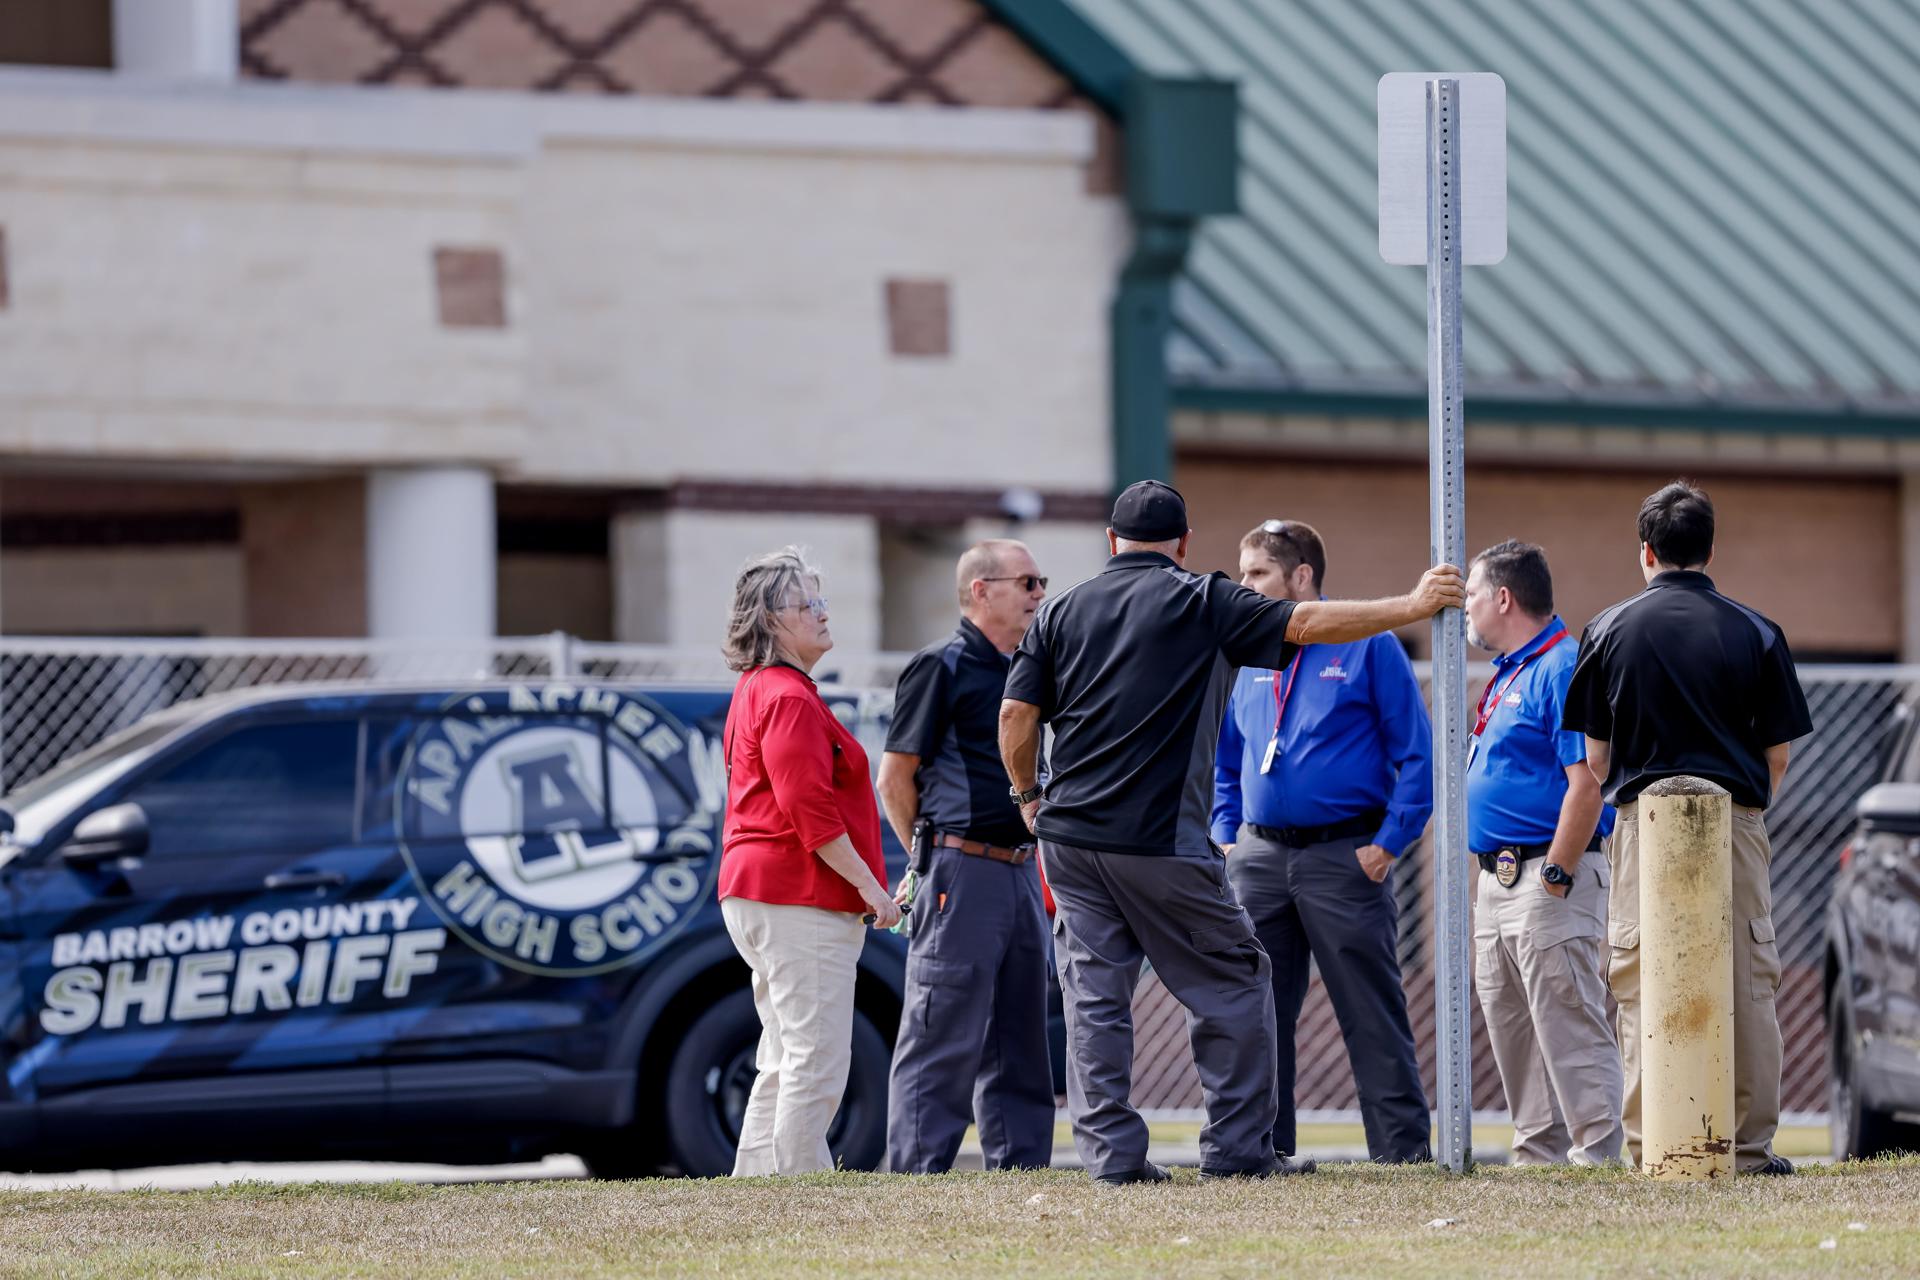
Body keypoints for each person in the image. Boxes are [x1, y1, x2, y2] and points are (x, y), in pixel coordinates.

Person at [999, 480, 1464, 1184]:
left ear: (1111, 542)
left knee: (1094, 1000)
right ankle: (1240, 1152)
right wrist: (1413, 605)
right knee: (1240, 979)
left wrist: (1030, 796)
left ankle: (1113, 1162)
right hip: (1160, 843)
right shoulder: (1202, 598)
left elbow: (1014, 718)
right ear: (1183, 544)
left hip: (1069, 842)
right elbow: (1304, 626)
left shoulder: (1060, 608)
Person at [1563, 482, 1812, 1176]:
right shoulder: (1757, 630)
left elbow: (1596, 756)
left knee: (1641, 977)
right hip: (1732, 818)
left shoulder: (1607, 629)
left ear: (1646, 551)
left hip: (1643, 822)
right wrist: (1751, 812)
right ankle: (1752, 1149)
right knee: (1749, 980)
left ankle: (1652, 1146)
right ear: (1709, 549)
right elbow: (1779, 752)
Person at [1211, 519, 1434, 1165]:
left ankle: (1402, 1155)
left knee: (1370, 1010)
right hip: (1258, 856)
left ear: (1301, 575)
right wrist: (1227, 838)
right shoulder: (1248, 649)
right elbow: (1227, 761)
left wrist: (1389, 843)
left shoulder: (1370, 643)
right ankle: (1263, 1151)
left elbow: (1416, 755)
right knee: (1256, 1013)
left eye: (1257, 573)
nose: (1244, 585)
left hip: (1345, 856)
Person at [716, 546, 902, 1177]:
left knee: (785, 1052)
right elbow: (810, 814)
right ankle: (801, 1192)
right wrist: (875, 892)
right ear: (772, 619)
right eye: (808, 604)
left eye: (821, 601)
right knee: (816, 1057)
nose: (823, 614)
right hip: (798, 892)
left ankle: (758, 1187)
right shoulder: (788, 695)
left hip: (760, 891)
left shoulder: (759, 689)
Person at [878, 540, 1056, 1174]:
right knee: (941, 1032)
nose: (1039, 593)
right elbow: (895, 777)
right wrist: (926, 859)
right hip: (961, 869)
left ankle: (1021, 1170)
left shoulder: (1026, 669)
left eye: (1041, 583)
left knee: (1022, 1035)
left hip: (1018, 870)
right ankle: (918, 1176)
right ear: (981, 590)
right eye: (1027, 582)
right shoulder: (941, 666)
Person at [1462, 539, 1622, 1166]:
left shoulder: (1561, 667)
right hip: (1498, 880)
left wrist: (1556, 872)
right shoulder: (1512, 670)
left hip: (1546, 873)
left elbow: (1588, 782)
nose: (1466, 609)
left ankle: (1599, 1151)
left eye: (1472, 595)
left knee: (1569, 1022)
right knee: (1513, 1029)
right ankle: (1539, 1155)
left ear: (1503, 597)